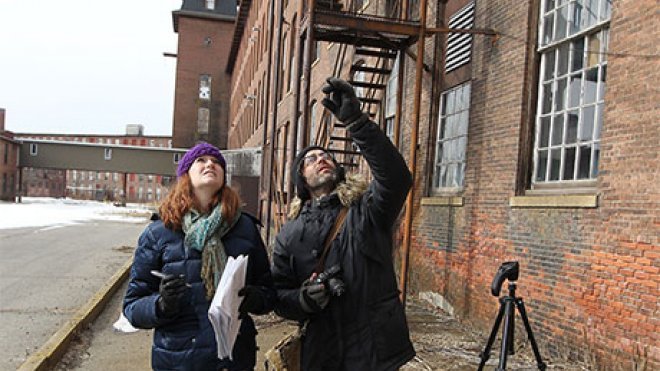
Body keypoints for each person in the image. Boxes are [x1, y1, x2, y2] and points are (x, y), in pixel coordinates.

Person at [271, 77, 415, 370]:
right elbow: (279, 294)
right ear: (302, 179)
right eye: (310, 160)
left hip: (374, 349)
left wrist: (356, 122)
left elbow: (397, 178)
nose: (321, 159)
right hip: (321, 352)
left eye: (325, 155)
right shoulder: (290, 233)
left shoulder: (367, 209)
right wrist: (304, 300)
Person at [123, 142, 274, 371]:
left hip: (233, 358)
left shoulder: (245, 228)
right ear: (186, 175)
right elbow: (132, 306)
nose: (210, 164)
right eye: (201, 160)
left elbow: (269, 292)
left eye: (216, 162)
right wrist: (161, 304)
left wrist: (255, 298)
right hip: (179, 359)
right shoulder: (160, 232)